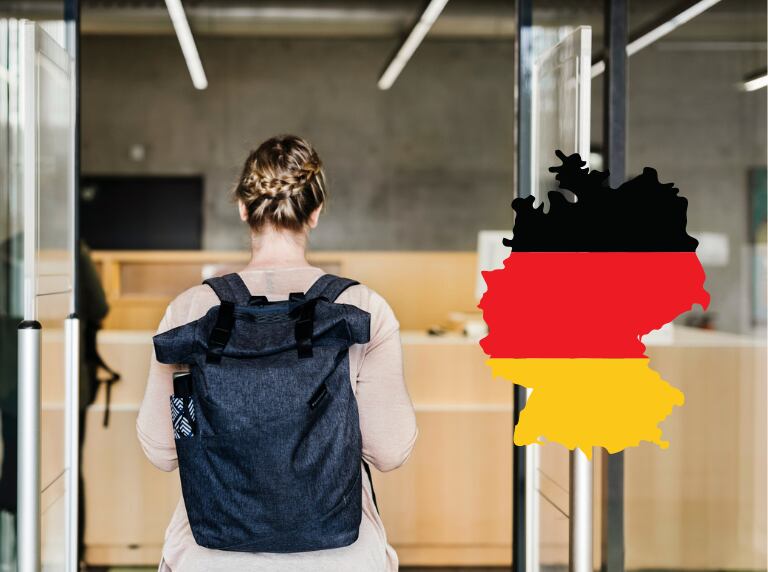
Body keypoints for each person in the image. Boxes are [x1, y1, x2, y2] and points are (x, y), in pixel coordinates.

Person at [137, 135, 418, 572]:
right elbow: (390, 450)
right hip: (339, 556)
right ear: (316, 212)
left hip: (210, 554)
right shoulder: (363, 310)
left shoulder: (189, 310)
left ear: (244, 209)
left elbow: (162, 448)